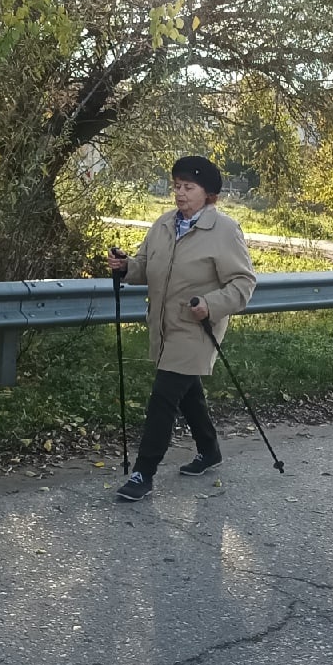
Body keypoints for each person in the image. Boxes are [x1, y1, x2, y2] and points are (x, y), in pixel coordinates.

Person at [105, 155, 255, 502]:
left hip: (197, 327)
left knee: (164, 396)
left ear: (209, 195)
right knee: (186, 391)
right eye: (177, 186)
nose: (180, 194)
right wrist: (126, 266)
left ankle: (144, 472)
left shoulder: (225, 231)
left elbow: (243, 283)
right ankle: (209, 449)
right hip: (162, 324)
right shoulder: (163, 224)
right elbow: (146, 267)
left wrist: (210, 305)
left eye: (189, 188)